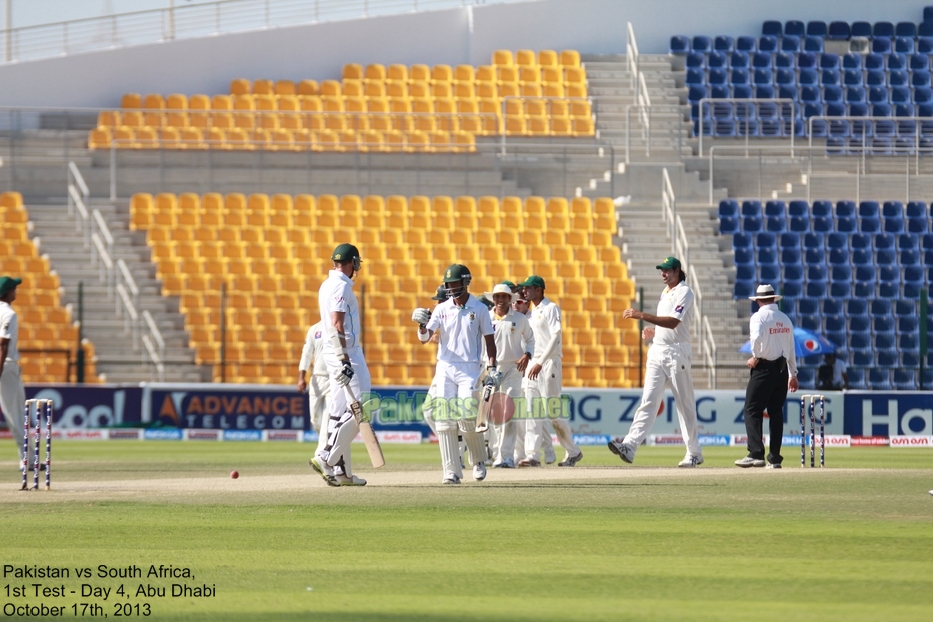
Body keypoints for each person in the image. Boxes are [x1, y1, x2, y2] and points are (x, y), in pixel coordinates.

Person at [607, 257, 703, 468]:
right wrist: (654, 332)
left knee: (684, 403)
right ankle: (630, 446)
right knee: (649, 400)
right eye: (661, 270)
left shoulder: (684, 292)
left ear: (677, 271)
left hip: (677, 353)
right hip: (657, 351)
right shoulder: (666, 292)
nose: (663, 273)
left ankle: (694, 452)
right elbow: (667, 325)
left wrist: (641, 315)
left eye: (667, 270)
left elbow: (674, 321)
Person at [412, 264, 498, 485]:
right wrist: (421, 326)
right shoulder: (442, 309)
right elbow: (425, 337)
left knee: (467, 416)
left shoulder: (478, 309)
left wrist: (492, 367)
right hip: (445, 367)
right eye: (448, 284)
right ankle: (451, 471)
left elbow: (489, 341)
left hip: (469, 368)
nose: (450, 288)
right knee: (444, 420)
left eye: (454, 284)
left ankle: (478, 460)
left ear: (465, 282)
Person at [308, 244, 370, 487]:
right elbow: (336, 323)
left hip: (334, 353)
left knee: (338, 410)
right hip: (347, 353)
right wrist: (345, 359)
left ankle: (341, 472)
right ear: (352, 262)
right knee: (362, 408)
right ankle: (325, 457)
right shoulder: (341, 285)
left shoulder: (326, 284)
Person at [517, 275, 583, 467]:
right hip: (533, 363)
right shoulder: (530, 313)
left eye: (529, 288)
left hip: (548, 363)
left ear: (539, 290)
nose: (525, 291)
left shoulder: (550, 308)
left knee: (553, 411)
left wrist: (541, 361)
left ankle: (573, 451)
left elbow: (556, 336)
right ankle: (532, 455)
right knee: (532, 411)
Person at [735, 284, 798, 469]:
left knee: (751, 410)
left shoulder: (758, 317)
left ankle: (756, 453)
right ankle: (775, 458)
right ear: (773, 299)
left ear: (759, 301)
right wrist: (792, 373)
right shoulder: (785, 319)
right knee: (776, 413)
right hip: (781, 370)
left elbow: (755, 338)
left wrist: (755, 356)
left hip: (763, 368)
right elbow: (791, 348)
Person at [483, 283, 535, 468]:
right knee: (494, 414)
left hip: (514, 368)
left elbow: (530, 340)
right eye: (498, 297)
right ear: (494, 299)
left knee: (509, 412)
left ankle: (506, 457)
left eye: (505, 297)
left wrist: (527, 355)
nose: (501, 300)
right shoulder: (486, 317)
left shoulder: (520, 319)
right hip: (491, 368)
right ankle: (496, 455)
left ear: (509, 299)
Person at [507, 281, 556, 465]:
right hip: (517, 370)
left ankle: (544, 451)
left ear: (526, 303)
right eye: (514, 301)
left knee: (533, 413)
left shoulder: (532, 317)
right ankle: (522, 454)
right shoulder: (514, 318)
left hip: (532, 367)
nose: (515, 304)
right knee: (524, 415)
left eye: (519, 301)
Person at [0, 276, 27, 469]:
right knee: (15, 415)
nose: (16, 291)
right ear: (8, 292)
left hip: (6, 366)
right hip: (6, 366)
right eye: (14, 288)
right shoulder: (9, 314)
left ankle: (29, 458)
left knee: (15, 414)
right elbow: (3, 345)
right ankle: (27, 459)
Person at [298, 320, 330, 455]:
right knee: (315, 420)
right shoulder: (314, 329)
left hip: (333, 379)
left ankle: (323, 455)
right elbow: (306, 354)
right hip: (317, 379)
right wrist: (301, 377)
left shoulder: (339, 326)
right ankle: (329, 449)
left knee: (328, 419)